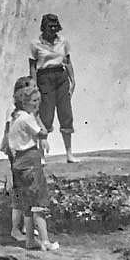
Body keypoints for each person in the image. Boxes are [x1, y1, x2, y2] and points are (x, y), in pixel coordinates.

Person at [0, 78, 58, 251]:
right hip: (30, 160)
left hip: (18, 162)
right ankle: (46, 241)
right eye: (34, 102)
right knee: (39, 202)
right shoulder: (26, 118)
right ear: (25, 102)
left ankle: (30, 240)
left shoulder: (16, 115)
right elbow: (42, 132)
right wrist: (44, 133)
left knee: (26, 204)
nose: (38, 105)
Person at [28, 13, 77, 163]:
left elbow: (67, 61)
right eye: (50, 26)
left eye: (55, 26)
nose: (53, 29)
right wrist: (34, 84)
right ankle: (42, 156)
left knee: (66, 114)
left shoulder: (63, 41)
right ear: (44, 27)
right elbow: (32, 67)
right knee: (45, 116)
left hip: (61, 78)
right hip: (44, 78)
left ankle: (69, 154)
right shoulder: (35, 44)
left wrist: (73, 80)